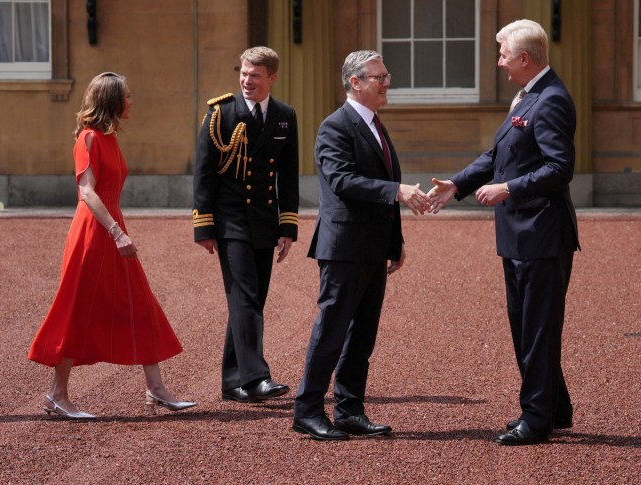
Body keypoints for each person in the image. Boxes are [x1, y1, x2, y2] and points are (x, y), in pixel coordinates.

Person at [427, 19, 579, 445]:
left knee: (536, 329)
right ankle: (553, 408)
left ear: (525, 59)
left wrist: (507, 188)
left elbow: (559, 168)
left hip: (542, 233)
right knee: (528, 326)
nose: (499, 63)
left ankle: (535, 419)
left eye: (504, 55)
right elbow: (497, 153)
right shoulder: (528, 96)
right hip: (521, 234)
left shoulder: (549, 100)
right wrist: (459, 183)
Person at [28, 72, 196, 419]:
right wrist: (116, 232)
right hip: (95, 232)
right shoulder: (88, 138)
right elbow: (86, 192)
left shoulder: (109, 138)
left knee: (139, 302)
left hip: (110, 225)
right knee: (78, 308)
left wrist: (118, 230)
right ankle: (56, 394)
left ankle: (156, 388)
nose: (132, 101)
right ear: (111, 100)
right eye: (127, 96)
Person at [292, 50, 429, 441]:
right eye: (379, 77)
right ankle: (307, 410)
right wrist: (397, 191)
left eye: (386, 75)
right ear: (355, 82)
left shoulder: (375, 125)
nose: (387, 83)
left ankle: (350, 409)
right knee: (332, 329)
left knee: (362, 334)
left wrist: (395, 241)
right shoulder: (336, 126)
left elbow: (380, 185)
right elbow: (342, 181)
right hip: (344, 246)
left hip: (371, 246)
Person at [193, 47, 299, 403]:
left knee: (250, 300)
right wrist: (204, 226)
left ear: (272, 77)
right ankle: (257, 378)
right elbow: (204, 173)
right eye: (242, 73)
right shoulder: (220, 113)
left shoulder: (285, 116)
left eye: (254, 75)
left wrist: (288, 227)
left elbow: (288, 176)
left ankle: (231, 381)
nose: (246, 81)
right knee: (245, 297)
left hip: (265, 221)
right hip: (230, 220)